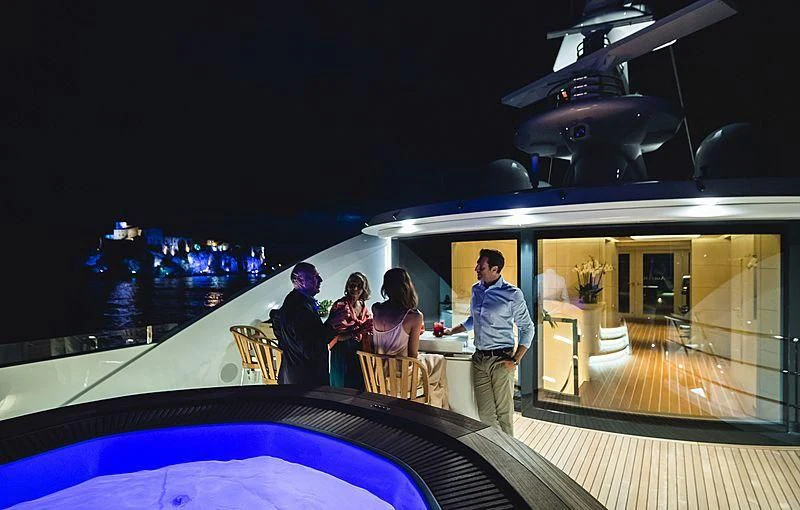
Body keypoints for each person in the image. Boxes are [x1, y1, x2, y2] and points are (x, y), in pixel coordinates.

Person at [444, 249, 533, 436]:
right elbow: (473, 320)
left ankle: (509, 458)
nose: (476, 268)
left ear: (495, 269)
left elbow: (527, 328)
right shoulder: (476, 289)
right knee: (485, 415)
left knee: (504, 415)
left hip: (501, 360)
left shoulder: (512, 294)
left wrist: (515, 360)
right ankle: (497, 453)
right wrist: (452, 331)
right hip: (479, 359)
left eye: (481, 266)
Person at [372, 268, 449, 409]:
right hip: (402, 380)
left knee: (432, 363)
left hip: (379, 377)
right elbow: (413, 355)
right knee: (439, 362)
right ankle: (439, 411)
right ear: (407, 287)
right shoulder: (414, 316)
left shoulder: (376, 309)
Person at [277, 262, 347, 385]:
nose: (320, 280)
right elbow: (311, 349)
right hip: (306, 381)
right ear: (299, 280)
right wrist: (332, 324)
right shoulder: (300, 309)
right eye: (315, 277)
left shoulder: (294, 301)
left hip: (295, 376)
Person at [328, 272, 373, 390]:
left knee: (358, 387)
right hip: (342, 351)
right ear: (347, 286)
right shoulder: (340, 305)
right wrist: (359, 331)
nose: (355, 289)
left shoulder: (363, 305)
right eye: (352, 285)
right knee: (342, 388)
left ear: (364, 289)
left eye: (359, 286)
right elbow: (336, 335)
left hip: (358, 350)